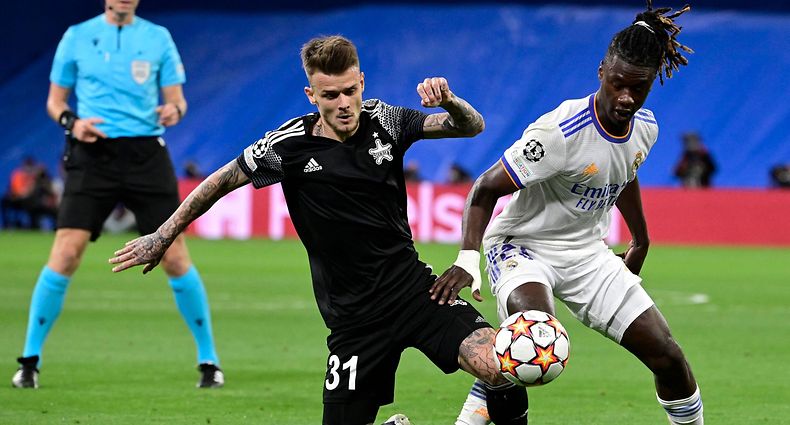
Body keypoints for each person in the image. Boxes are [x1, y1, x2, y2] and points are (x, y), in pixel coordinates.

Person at [110, 35, 531, 425]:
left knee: (501, 364)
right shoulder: (285, 147)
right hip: (354, 322)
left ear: (362, 82)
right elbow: (217, 183)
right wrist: (161, 236)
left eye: (351, 90)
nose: (345, 103)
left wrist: (451, 101)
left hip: (415, 293)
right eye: (331, 95)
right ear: (312, 95)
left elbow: (470, 126)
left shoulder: (387, 120)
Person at [432, 3, 704, 424]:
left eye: (640, 87)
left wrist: (640, 239)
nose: (627, 97)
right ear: (601, 72)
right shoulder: (560, 133)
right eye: (617, 84)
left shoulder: (645, 126)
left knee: (669, 358)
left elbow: (625, 172)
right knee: (534, 339)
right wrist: (467, 259)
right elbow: (485, 188)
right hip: (521, 247)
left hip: (586, 253)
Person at [11, 0, 223, 389]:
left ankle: (209, 361)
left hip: (146, 155)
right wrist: (71, 123)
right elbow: (55, 102)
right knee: (65, 253)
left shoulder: (157, 38)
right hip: (93, 154)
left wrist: (174, 110)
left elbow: (177, 100)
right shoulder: (76, 37)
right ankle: (29, 360)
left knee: (174, 257)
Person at [1, 157, 58, 229]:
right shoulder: (18, 175)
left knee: (34, 205)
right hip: (19, 200)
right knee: (5, 201)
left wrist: (42, 173)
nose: (28, 169)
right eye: (26, 166)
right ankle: (7, 225)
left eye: (30, 166)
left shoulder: (37, 176)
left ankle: (35, 226)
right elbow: (16, 190)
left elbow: (46, 189)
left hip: (33, 202)